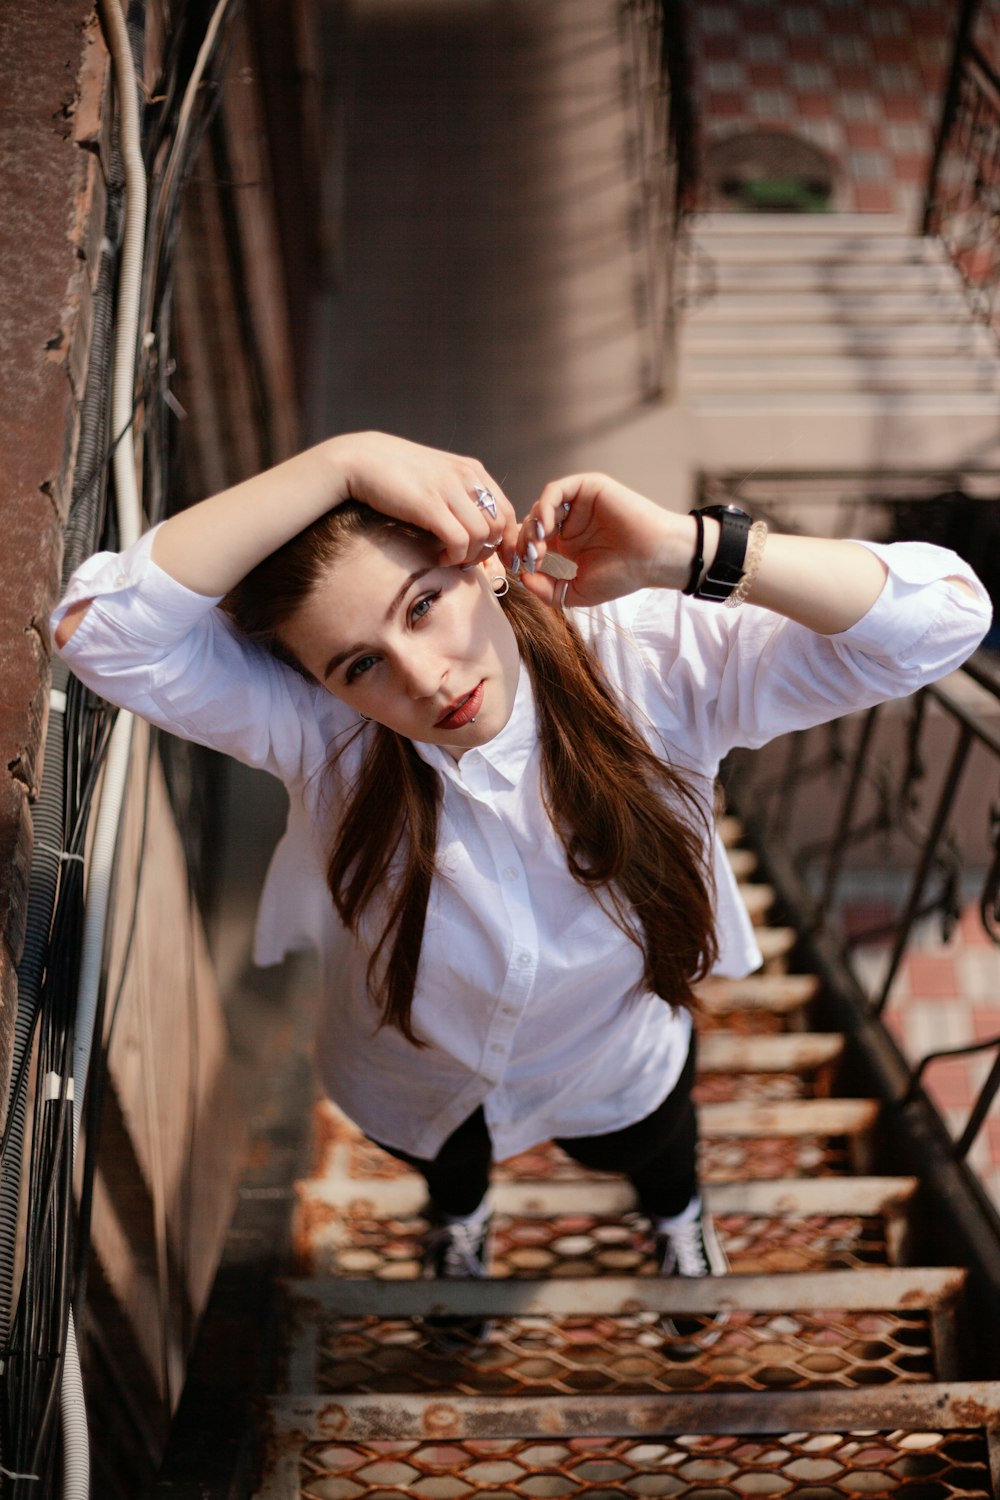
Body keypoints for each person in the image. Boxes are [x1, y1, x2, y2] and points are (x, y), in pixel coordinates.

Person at [53, 431, 990, 1343]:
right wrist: (338, 461)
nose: (424, 677)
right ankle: (459, 1231)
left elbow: (946, 617)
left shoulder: (645, 659)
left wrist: (684, 546)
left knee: (658, 1159)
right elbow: (97, 629)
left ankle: (677, 1227)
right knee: (450, 1175)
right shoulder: (319, 729)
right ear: (324, 682)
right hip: (415, 1071)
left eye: (421, 606)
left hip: (611, 1054)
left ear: (484, 562)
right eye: (361, 663)